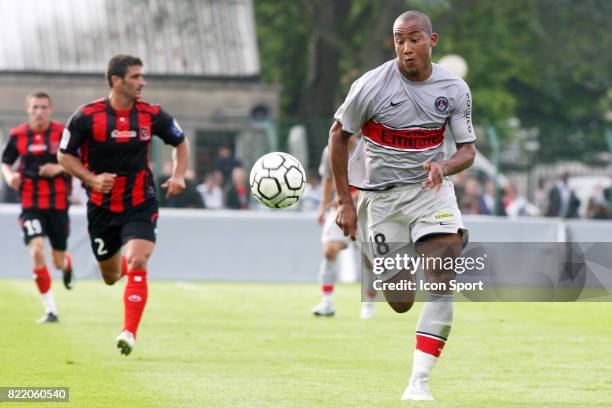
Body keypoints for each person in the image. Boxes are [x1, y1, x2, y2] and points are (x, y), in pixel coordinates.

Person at [329, 11, 476, 401]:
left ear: (433, 40)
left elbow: (467, 151)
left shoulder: (455, 88)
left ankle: (419, 381)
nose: (406, 48)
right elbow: (338, 136)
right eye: (399, 40)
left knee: (442, 281)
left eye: (414, 39)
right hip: (382, 199)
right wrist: (344, 200)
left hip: (432, 193)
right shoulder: (371, 86)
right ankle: (375, 262)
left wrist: (443, 166)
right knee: (400, 301)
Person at [58, 55, 189, 355]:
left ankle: (129, 332)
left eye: (142, 77)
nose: (142, 82)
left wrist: (179, 175)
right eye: (135, 77)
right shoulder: (86, 116)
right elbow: (64, 155)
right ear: (116, 81)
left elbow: (180, 143)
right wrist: (91, 179)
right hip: (101, 207)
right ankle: (129, 261)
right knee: (110, 277)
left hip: (140, 201)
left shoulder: (152, 114)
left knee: (140, 260)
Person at [1, 91, 74, 323]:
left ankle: (66, 263)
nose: (39, 112)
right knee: (36, 250)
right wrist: (9, 176)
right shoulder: (18, 135)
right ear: (28, 109)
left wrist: (59, 168)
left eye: (43, 107)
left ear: (50, 110)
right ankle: (50, 309)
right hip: (30, 204)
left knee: (57, 261)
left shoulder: (62, 134)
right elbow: (6, 162)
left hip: (58, 204)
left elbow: (80, 161)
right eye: (35, 107)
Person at [312, 139, 377, 319]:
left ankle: (369, 301)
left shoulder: (368, 149)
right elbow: (327, 177)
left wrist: (348, 197)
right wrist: (323, 206)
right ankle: (327, 302)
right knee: (329, 250)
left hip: (366, 211)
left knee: (370, 260)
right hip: (339, 209)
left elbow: (375, 184)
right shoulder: (330, 149)